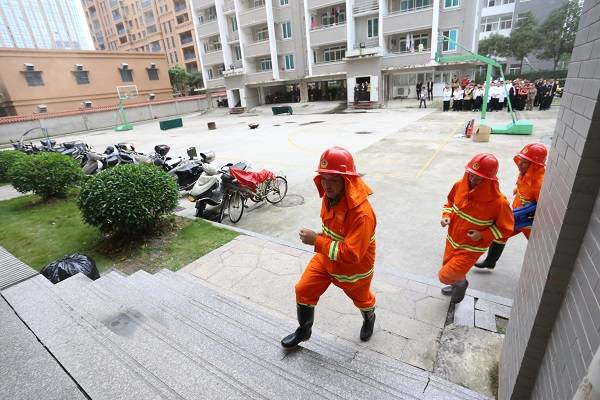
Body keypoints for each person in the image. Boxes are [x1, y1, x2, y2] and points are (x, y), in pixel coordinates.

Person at [281, 146, 378, 348]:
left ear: (347, 180)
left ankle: (369, 317)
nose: (327, 185)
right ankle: (304, 331)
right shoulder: (330, 197)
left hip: (353, 272)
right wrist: (321, 238)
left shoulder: (362, 214)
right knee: (303, 289)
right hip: (326, 260)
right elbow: (332, 230)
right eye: (324, 178)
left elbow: (352, 254)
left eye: (333, 179)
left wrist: (317, 241)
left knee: (362, 300)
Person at [439, 154, 514, 303]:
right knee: (450, 269)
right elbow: (450, 202)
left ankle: (461, 284)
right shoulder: (459, 185)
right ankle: (457, 282)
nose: (472, 179)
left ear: (489, 179)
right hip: (452, 241)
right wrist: (447, 215)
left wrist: (483, 235)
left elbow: (507, 229)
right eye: (471, 174)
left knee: (445, 275)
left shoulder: (499, 203)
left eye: (478, 177)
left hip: (470, 249)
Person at [475, 144, 547, 270]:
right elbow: (524, 186)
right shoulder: (525, 173)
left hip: (527, 221)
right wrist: (518, 190)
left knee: (538, 247)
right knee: (501, 234)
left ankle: (540, 272)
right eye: (521, 160)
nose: (520, 164)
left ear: (534, 165)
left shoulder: (540, 183)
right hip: (516, 215)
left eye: (525, 162)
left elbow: (542, 207)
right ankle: (490, 262)